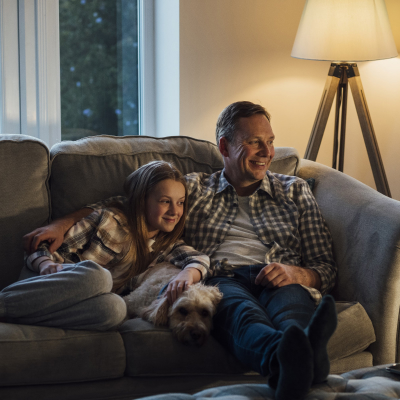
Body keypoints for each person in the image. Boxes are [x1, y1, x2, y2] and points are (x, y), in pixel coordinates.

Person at [23, 102, 337, 400]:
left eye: (270, 141)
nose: (267, 152)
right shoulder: (193, 189)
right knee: (244, 319)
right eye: (255, 142)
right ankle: (305, 363)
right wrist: (62, 224)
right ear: (224, 147)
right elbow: (129, 203)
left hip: (282, 277)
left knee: (294, 314)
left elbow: (324, 266)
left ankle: (300, 358)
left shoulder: (294, 190)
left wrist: (297, 273)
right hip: (222, 279)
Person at [2, 161, 209, 331]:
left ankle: (21, 314)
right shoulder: (109, 220)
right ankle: (5, 304)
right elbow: (41, 246)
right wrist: (45, 263)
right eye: (165, 201)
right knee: (99, 277)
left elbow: (200, 259)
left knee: (116, 309)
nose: (175, 210)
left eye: (180, 202)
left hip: (77, 302)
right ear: (141, 200)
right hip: (46, 280)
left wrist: (188, 274)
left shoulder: (167, 246)